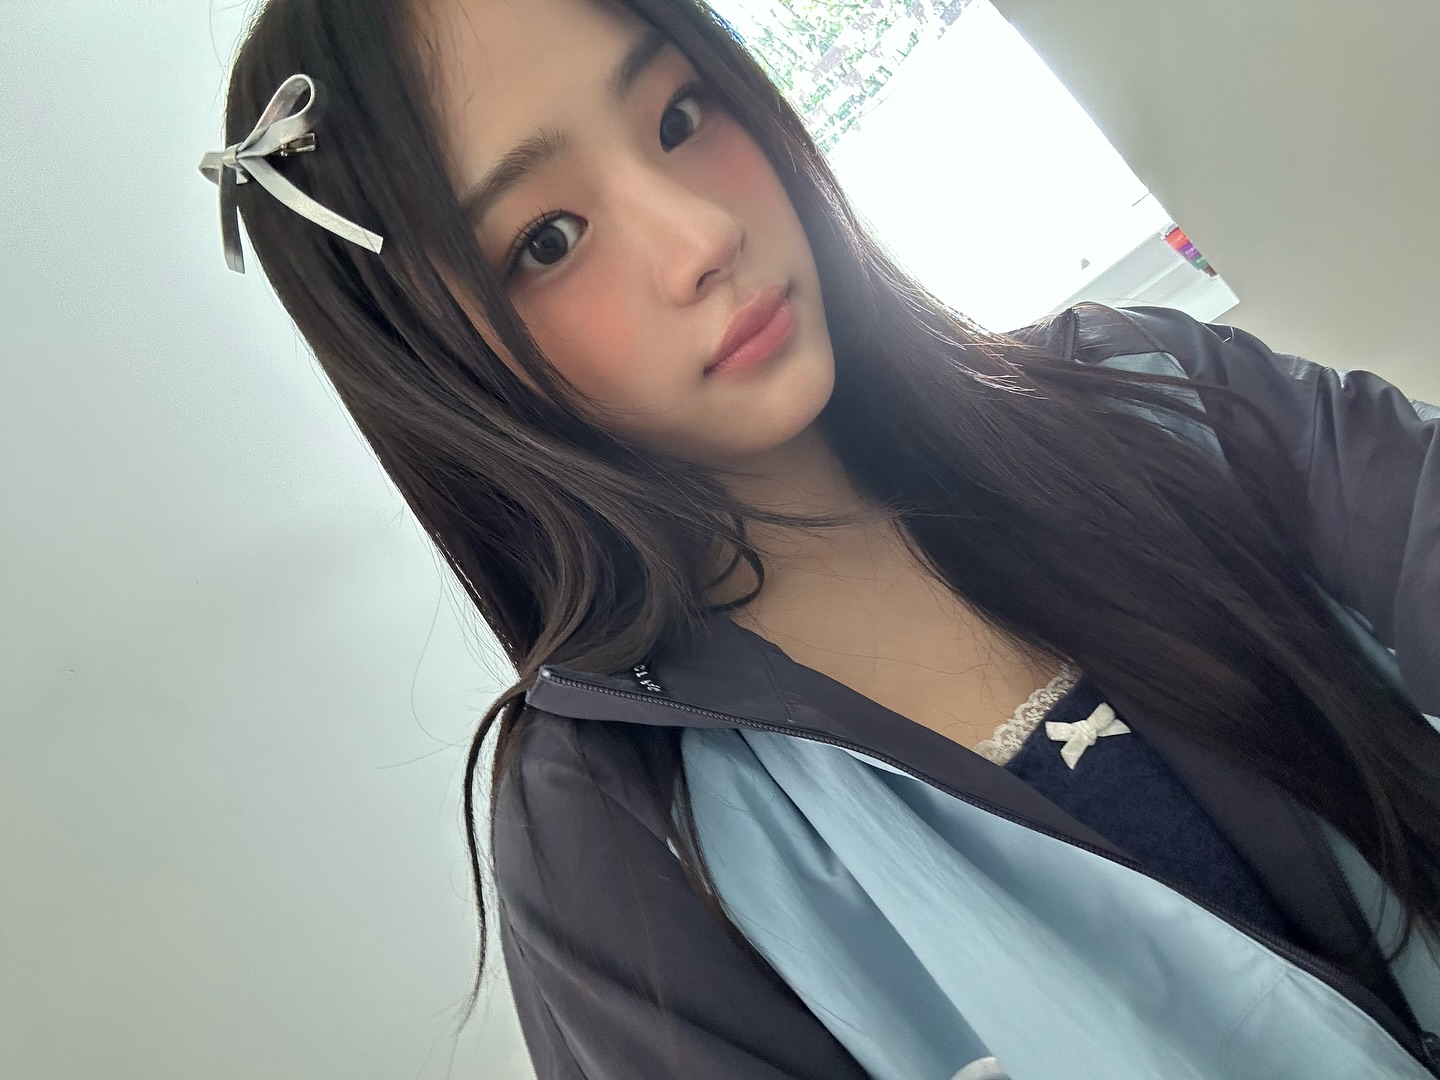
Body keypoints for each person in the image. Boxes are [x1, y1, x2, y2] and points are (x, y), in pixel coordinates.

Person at [200, 1, 1440, 1076]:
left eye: (680, 116)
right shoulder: (617, 832)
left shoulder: (1148, 393)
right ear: (435, 368)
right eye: (548, 240)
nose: (701, 236)